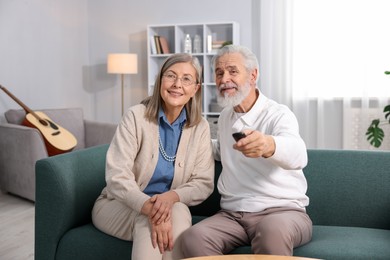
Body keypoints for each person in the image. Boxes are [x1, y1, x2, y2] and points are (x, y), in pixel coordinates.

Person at [181, 45, 312, 257]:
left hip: (282, 212)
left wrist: (268, 144)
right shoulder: (225, 117)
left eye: (233, 71)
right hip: (232, 216)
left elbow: (298, 154)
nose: (224, 79)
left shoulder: (278, 114)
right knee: (192, 238)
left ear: (253, 75)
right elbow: (220, 151)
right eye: (219, 73)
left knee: (272, 232)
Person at [92, 53, 215, 260]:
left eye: (186, 79)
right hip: (118, 205)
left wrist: (170, 198)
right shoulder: (135, 116)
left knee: (176, 212)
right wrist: (152, 209)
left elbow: (203, 183)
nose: (177, 84)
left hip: (172, 207)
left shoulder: (200, 127)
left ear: (195, 89)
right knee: (148, 220)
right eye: (171, 76)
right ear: (160, 82)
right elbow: (117, 177)